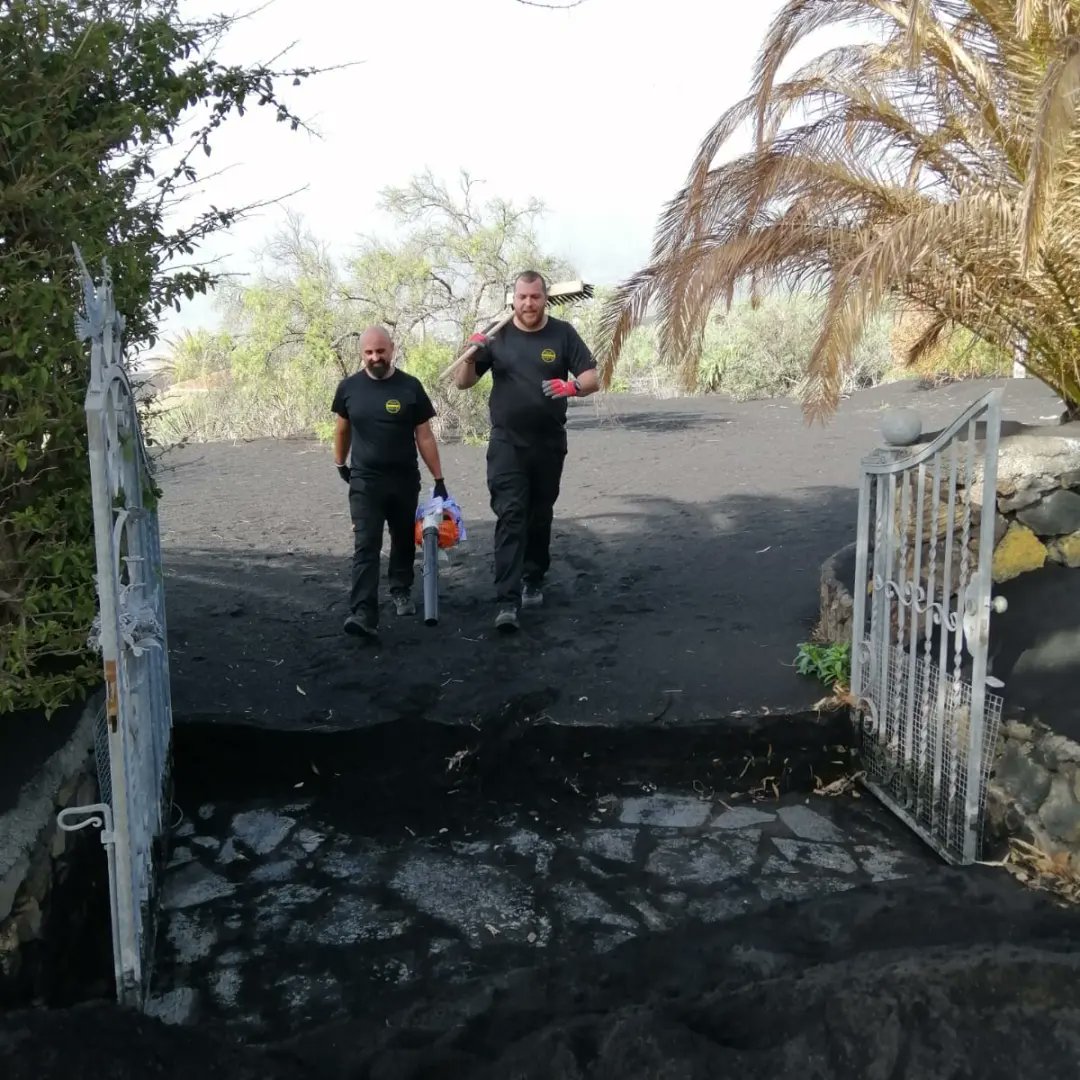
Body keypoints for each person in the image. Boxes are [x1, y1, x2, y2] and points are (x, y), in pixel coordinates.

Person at [453, 270, 598, 633]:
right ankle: (506, 600)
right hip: (506, 444)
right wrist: (471, 353)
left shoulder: (563, 334)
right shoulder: (496, 334)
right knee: (511, 515)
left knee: (539, 514)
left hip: (548, 443)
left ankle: (534, 576)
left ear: (545, 298)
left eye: (535, 297)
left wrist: (572, 386)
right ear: (512, 299)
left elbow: (593, 377)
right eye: (522, 297)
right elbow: (462, 382)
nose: (528, 304)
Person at [331, 326, 448, 639]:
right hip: (365, 481)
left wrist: (439, 478)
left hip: (403, 479)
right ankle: (363, 613)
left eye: (380, 351)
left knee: (402, 539)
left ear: (392, 349)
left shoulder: (410, 387)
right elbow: (342, 430)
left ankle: (400, 589)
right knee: (366, 544)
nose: (375, 357)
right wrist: (341, 463)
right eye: (368, 353)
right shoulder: (349, 388)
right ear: (361, 354)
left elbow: (423, 435)